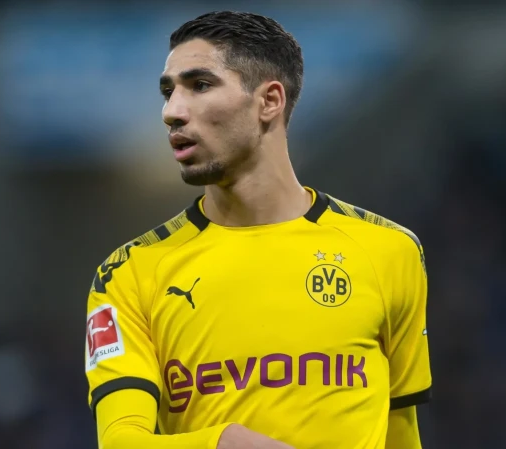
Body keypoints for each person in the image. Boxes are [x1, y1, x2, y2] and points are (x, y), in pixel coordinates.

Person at [84, 11, 431, 449]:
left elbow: (401, 432)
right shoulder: (129, 274)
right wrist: (225, 443)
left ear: (269, 101)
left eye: (200, 85)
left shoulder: (389, 251)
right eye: (168, 92)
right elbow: (120, 442)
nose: (172, 112)